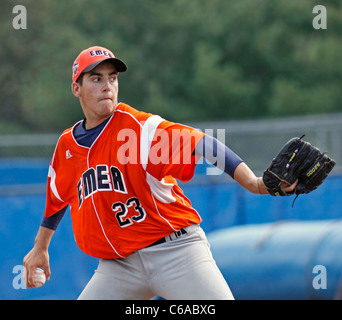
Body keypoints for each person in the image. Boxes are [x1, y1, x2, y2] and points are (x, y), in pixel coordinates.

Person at [23, 46, 297, 299]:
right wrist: (40, 247)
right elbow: (58, 196)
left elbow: (202, 142)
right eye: (96, 79)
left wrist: (254, 182)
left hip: (176, 252)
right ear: (76, 88)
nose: (107, 86)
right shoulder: (67, 146)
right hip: (119, 267)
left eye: (113, 78)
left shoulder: (138, 129)